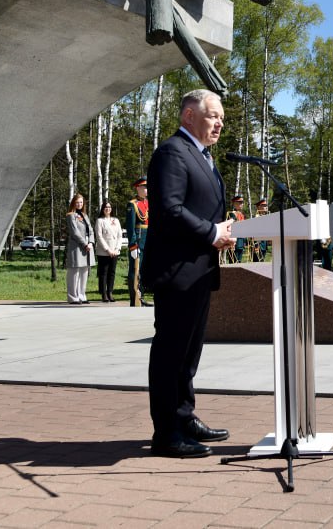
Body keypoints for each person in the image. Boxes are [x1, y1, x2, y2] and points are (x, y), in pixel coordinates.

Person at [140, 89, 235, 459]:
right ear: (188, 116)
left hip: (199, 271)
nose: (220, 123)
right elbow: (168, 209)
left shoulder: (203, 156)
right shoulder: (172, 153)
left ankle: (184, 416)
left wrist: (220, 232)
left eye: (222, 118)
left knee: (189, 353)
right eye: (213, 116)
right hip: (177, 271)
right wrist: (213, 233)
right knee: (171, 352)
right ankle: (166, 433)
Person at [64, 193, 95, 304]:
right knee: (74, 272)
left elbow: (91, 230)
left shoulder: (84, 215)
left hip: (87, 246)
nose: (79, 204)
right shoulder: (70, 215)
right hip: (77, 246)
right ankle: (73, 297)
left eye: (81, 202)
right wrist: (84, 244)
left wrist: (91, 242)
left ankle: (82, 295)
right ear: (73, 203)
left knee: (84, 272)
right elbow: (74, 232)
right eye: (77, 202)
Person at [125, 177, 149, 306]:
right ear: (138, 188)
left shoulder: (148, 203)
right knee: (135, 270)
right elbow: (130, 227)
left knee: (144, 270)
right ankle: (134, 298)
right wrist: (133, 245)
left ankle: (141, 296)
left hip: (148, 240)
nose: (146, 190)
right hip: (138, 239)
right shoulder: (132, 204)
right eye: (144, 187)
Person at [93, 200, 123, 303]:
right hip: (104, 251)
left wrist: (117, 249)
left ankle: (110, 292)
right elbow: (99, 236)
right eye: (106, 207)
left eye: (109, 207)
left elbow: (120, 235)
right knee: (103, 273)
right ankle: (104, 293)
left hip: (115, 251)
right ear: (102, 209)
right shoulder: (100, 221)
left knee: (112, 273)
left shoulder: (116, 220)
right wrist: (108, 250)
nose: (108, 209)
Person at [225, 195, 246, 264]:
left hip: (241, 240)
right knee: (233, 261)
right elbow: (230, 227)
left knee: (239, 260)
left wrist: (244, 241)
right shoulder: (232, 214)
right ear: (234, 203)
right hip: (235, 240)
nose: (242, 204)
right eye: (240, 202)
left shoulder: (242, 214)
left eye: (242, 202)